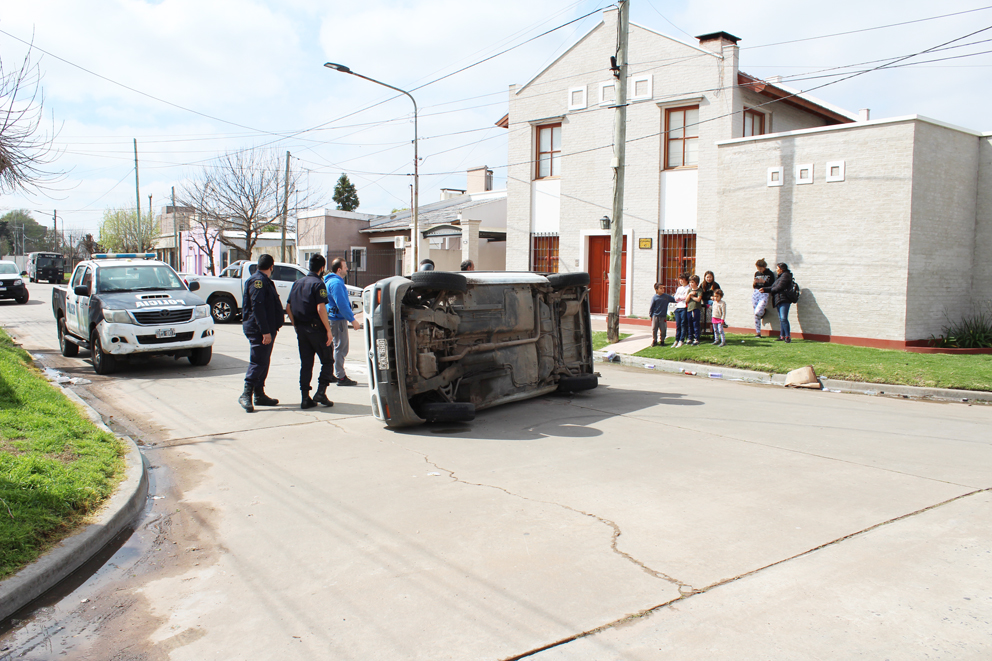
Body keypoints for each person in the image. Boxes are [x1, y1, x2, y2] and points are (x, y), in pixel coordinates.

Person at [286, 255, 335, 409]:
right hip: (316, 329)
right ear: (321, 268)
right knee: (327, 360)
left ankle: (305, 397)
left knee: (306, 364)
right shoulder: (318, 284)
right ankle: (321, 392)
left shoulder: (297, 283)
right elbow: (321, 308)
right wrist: (328, 330)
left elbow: (288, 307)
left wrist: (296, 326)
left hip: (301, 329)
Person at [239, 254, 283, 412]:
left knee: (263, 361)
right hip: (259, 329)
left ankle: (259, 393)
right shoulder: (258, 281)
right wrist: (265, 331)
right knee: (258, 361)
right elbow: (257, 307)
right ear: (272, 267)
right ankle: (246, 393)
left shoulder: (263, 280)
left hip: (266, 328)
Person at [323, 258, 362, 386]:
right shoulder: (336, 283)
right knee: (341, 348)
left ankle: (332, 374)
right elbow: (342, 304)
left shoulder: (331, 281)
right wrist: (352, 320)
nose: (347, 269)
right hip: (338, 320)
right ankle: (341, 376)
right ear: (339, 269)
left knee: (334, 347)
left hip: (332, 318)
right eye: (345, 266)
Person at [770, 262, 794, 343]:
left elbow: (779, 287)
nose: (776, 270)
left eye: (777, 268)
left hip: (784, 299)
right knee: (781, 319)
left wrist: (769, 290)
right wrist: (765, 289)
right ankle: (782, 336)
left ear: (781, 269)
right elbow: (773, 286)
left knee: (783, 318)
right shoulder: (780, 277)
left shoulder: (786, 276)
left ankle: (788, 336)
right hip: (779, 299)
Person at [752, 258, 776, 337]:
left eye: (761, 268)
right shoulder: (757, 273)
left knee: (758, 312)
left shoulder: (770, 273)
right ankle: (758, 332)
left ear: (764, 266)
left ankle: (763, 312)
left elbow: (772, 285)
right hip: (756, 292)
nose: (760, 270)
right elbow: (754, 286)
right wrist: (755, 283)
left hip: (764, 293)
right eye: (758, 269)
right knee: (755, 314)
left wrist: (764, 282)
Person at [672, 274, 690, 348]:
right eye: (680, 279)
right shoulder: (679, 288)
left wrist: (679, 298)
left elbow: (685, 297)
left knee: (683, 324)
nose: (681, 281)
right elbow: (675, 298)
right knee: (678, 324)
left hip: (684, 307)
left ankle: (681, 340)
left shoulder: (688, 288)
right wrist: (679, 298)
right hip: (678, 307)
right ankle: (677, 339)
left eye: (682, 279)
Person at [701, 270, 721, 335]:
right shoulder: (702, 285)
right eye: (707, 277)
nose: (709, 279)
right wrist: (709, 297)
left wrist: (714, 297)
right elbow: (702, 295)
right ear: (705, 278)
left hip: (712, 301)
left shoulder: (715, 285)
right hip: (705, 300)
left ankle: (719, 319)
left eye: (710, 277)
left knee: (715, 304)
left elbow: (719, 293)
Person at [686, 274, 703, 346]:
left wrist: (692, 296)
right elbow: (686, 300)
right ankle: (690, 338)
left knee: (696, 323)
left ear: (696, 283)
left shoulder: (699, 290)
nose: (691, 284)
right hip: (689, 309)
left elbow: (698, 299)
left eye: (692, 282)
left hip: (696, 309)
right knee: (690, 324)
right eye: (690, 282)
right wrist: (690, 295)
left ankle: (696, 338)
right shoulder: (689, 290)